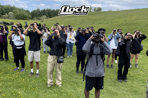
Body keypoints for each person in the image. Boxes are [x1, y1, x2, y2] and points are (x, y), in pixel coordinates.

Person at [82, 33, 112, 98]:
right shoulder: (90, 46)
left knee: (98, 89)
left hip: (99, 73)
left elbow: (110, 51)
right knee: (87, 89)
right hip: (90, 72)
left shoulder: (102, 47)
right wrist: (90, 39)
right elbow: (84, 49)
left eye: (99, 36)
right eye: (95, 36)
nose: (97, 37)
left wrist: (103, 41)